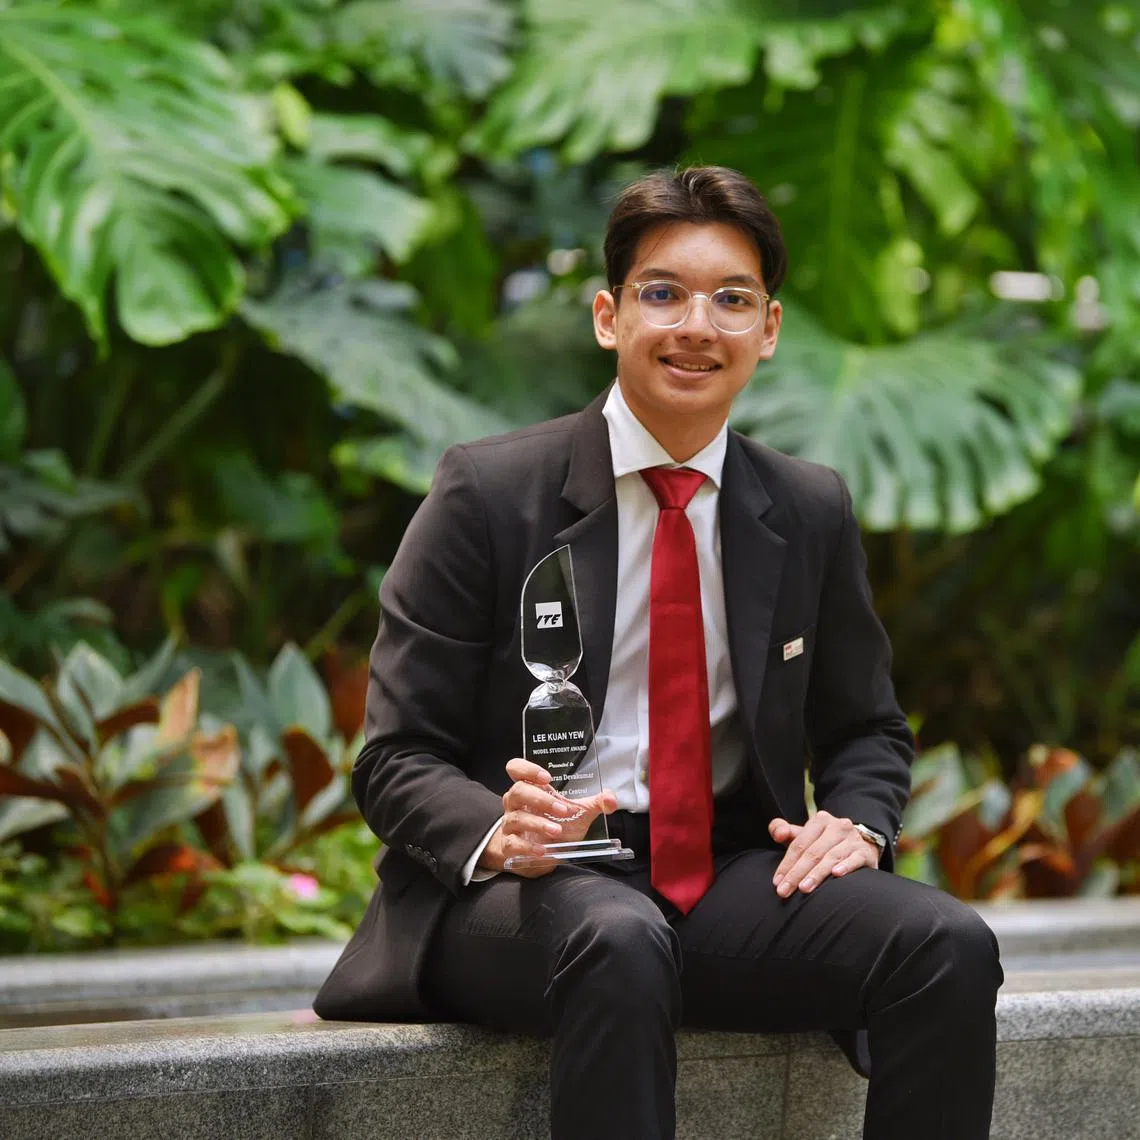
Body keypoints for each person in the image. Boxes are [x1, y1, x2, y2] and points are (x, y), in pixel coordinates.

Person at [314, 165, 1003, 1139]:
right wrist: (498, 830)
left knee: (946, 943)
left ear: (769, 329)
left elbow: (866, 728)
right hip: (525, 890)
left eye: (733, 300)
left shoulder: (806, 507)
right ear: (609, 316)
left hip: (722, 877)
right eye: (664, 293)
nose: (697, 326)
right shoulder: (488, 494)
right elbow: (395, 757)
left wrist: (854, 821)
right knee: (620, 939)